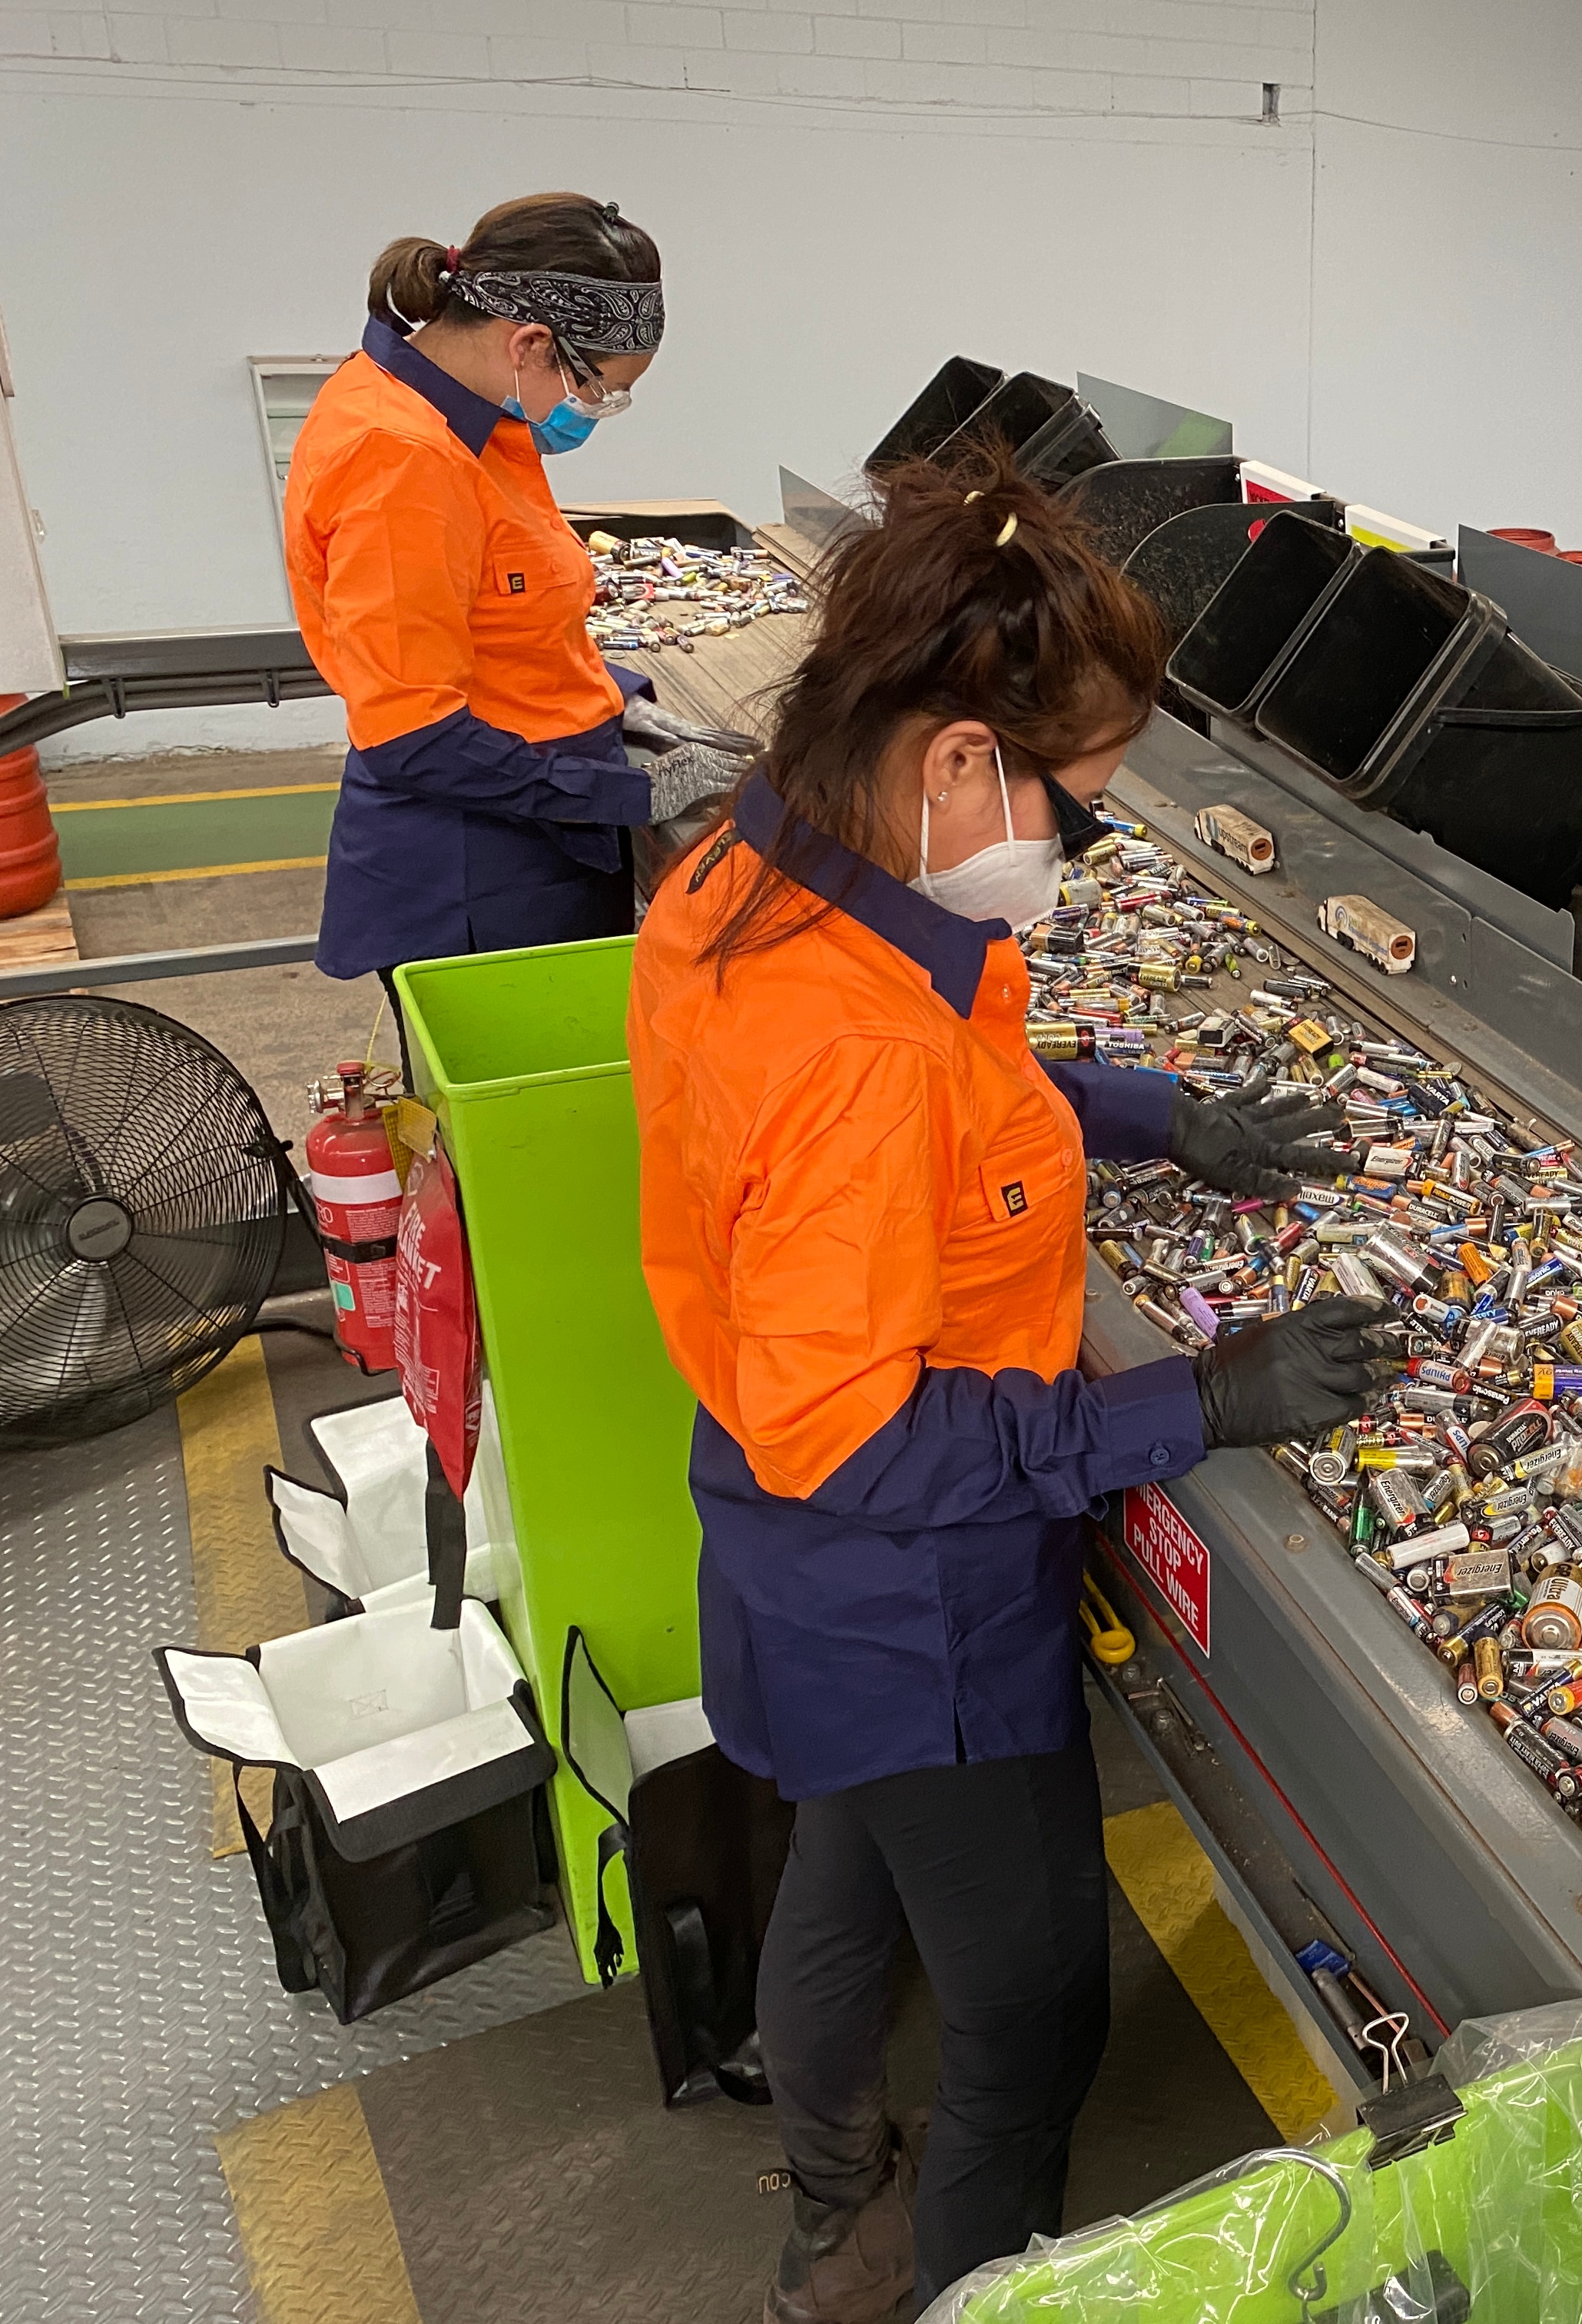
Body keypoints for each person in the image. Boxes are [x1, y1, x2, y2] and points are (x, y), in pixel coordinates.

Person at [628, 455, 1397, 2324]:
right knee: (1033, 2013)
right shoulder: (846, 1051)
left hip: (770, 1542)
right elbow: (877, 1429)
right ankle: (960, 2279)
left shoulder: (774, 859)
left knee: (842, 1854)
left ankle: (830, 2205)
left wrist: (1168, 1119)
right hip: (917, 1596)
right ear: (966, 758)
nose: (1092, 848)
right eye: (1092, 808)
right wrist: (1196, 1402)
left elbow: (969, 1072)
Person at [284, 191, 738, 1011]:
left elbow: (496, 614)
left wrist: (614, 701)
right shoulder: (400, 456)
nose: (595, 410)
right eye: (601, 388)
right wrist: (636, 796)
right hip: (481, 879)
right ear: (530, 342)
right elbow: (413, 736)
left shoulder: (460, 414)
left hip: (522, 824)